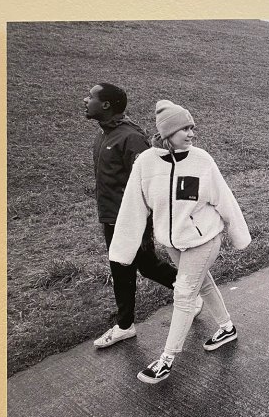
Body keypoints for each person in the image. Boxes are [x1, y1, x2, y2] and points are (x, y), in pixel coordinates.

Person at [109, 100, 251, 384]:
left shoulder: (202, 160)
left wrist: (239, 235)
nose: (191, 133)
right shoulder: (145, 163)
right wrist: (123, 250)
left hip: (204, 239)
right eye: (185, 128)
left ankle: (166, 359)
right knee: (203, 284)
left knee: (184, 294)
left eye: (192, 127)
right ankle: (227, 328)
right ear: (167, 132)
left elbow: (225, 199)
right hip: (173, 243)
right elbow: (133, 208)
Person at [84, 83, 203, 349]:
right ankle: (128, 323)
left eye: (91, 97)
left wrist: (146, 218)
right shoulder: (103, 135)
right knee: (131, 266)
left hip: (132, 218)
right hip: (111, 216)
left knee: (138, 265)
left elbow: (151, 180)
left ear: (106, 105)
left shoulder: (131, 138)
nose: (85, 100)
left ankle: (129, 323)